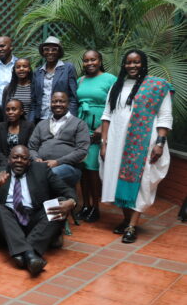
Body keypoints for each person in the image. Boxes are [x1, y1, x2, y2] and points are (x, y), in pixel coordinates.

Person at [100, 50, 173, 243]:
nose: (132, 66)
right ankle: (126, 220)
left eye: (137, 62)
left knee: (142, 181)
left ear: (143, 63)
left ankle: (132, 226)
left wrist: (160, 143)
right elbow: (107, 115)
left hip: (143, 143)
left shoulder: (157, 86)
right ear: (124, 65)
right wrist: (104, 142)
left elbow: (165, 116)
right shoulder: (117, 86)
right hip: (116, 142)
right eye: (129, 62)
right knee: (116, 180)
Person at [0, 146, 77, 276]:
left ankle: (24, 253)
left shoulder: (41, 170)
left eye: (24, 158)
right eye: (15, 157)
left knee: (58, 206)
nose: (19, 160)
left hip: (34, 222)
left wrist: (71, 201)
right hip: (9, 225)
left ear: (29, 161)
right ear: (9, 159)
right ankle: (31, 255)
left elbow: (66, 190)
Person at [76, 50, 116, 222]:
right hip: (81, 129)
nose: (89, 63)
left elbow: (116, 105)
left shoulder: (110, 79)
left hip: (99, 128)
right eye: (86, 60)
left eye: (93, 59)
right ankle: (86, 205)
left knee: (92, 168)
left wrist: (102, 127)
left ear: (100, 61)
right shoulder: (80, 80)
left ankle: (96, 207)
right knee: (82, 168)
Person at [28, 91, 89, 187]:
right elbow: (31, 148)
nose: (58, 104)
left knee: (49, 174)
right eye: (54, 101)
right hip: (42, 166)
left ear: (68, 104)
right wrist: (36, 159)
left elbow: (82, 151)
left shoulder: (79, 124)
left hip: (68, 167)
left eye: (62, 101)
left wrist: (57, 162)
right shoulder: (41, 124)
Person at [32, 36, 78, 122]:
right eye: (46, 49)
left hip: (62, 117)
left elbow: (73, 97)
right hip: (41, 118)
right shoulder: (38, 72)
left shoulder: (68, 68)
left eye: (54, 49)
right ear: (43, 52)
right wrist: (31, 121)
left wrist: (71, 120)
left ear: (59, 52)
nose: (50, 52)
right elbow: (34, 99)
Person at [0, 99, 35, 168]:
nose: (10, 112)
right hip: (4, 163)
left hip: (23, 163)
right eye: (8, 110)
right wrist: (5, 163)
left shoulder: (29, 126)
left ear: (21, 111)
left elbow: (30, 149)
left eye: (14, 109)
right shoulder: (0, 126)